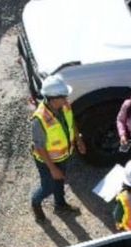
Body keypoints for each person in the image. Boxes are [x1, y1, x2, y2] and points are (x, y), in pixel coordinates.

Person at [30, 75, 86, 222]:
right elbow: (39, 147)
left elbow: (71, 122)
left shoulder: (65, 106)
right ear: (53, 98)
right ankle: (35, 203)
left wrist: (79, 140)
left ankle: (60, 205)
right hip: (46, 161)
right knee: (48, 187)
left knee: (60, 180)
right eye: (63, 97)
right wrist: (53, 169)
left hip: (63, 156)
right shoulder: (39, 119)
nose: (67, 99)